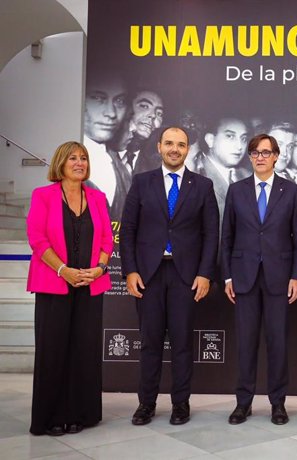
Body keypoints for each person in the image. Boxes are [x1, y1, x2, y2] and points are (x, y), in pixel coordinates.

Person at [120, 126, 219, 426]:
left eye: (181, 144)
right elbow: (128, 231)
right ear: (160, 147)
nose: (175, 149)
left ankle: (180, 404)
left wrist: (205, 274)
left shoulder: (203, 185)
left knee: (182, 343)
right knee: (150, 343)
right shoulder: (142, 182)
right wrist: (131, 270)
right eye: (169, 144)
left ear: (188, 149)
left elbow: (211, 233)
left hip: (185, 276)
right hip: (148, 274)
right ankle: (146, 405)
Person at [26, 141, 113, 436]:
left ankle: (80, 414)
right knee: (53, 350)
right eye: (73, 158)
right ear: (60, 163)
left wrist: (99, 268)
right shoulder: (43, 195)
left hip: (90, 284)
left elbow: (106, 240)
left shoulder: (98, 197)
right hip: (53, 284)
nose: (80, 163)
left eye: (84, 158)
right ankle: (50, 417)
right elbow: (37, 239)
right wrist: (63, 270)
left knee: (84, 350)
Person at [222, 134, 297, 426]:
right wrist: (228, 276)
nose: (260, 157)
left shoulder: (292, 191)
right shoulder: (236, 190)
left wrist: (296, 275)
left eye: (266, 152)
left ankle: (278, 404)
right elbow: (227, 236)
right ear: (250, 157)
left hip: (279, 278)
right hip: (244, 278)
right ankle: (242, 404)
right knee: (245, 343)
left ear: (276, 156)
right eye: (255, 152)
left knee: (277, 343)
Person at [82, 72, 129, 220]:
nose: (111, 113)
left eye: (120, 101)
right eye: (97, 98)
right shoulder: (60, 157)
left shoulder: (119, 164)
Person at [199, 117, 252, 218]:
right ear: (210, 140)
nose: (239, 146)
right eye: (230, 136)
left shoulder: (249, 177)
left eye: (243, 139)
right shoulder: (196, 175)